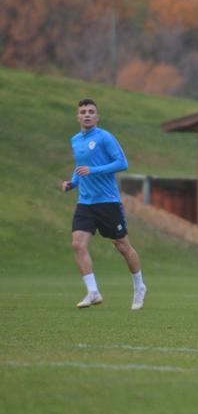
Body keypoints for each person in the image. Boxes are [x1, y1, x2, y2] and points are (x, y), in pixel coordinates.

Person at [62, 99, 147, 310]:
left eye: (91, 111)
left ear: (97, 117)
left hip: (108, 202)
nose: (87, 114)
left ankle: (139, 286)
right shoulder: (75, 140)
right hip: (85, 202)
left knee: (122, 246)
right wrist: (73, 183)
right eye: (83, 112)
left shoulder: (105, 137)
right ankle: (93, 292)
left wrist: (94, 170)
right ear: (78, 117)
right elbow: (80, 166)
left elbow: (122, 163)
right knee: (77, 244)